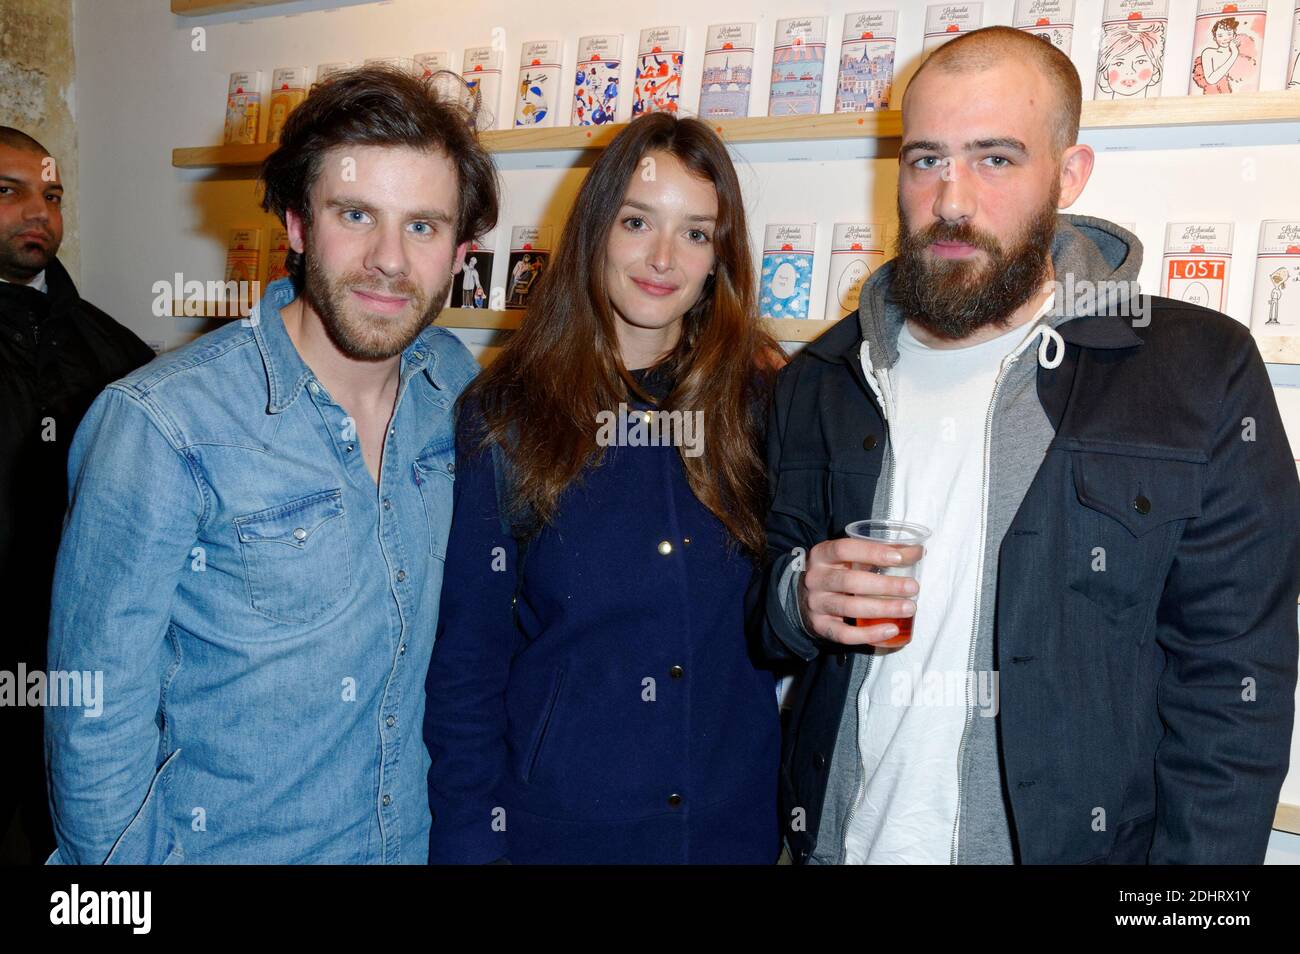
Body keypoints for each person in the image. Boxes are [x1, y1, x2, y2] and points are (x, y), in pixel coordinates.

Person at [751, 26, 1300, 865]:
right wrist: (798, 596)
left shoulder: (1197, 372)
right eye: (926, 158)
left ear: (1068, 175)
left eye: (995, 159)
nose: (951, 199)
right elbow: (770, 603)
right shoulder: (825, 375)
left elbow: (1234, 688)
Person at [44, 66, 497, 864]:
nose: (390, 260)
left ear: (461, 252)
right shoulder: (161, 424)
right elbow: (93, 727)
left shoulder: (451, 385)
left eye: (423, 226)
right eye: (355, 214)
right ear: (294, 224)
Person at [425, 112, 785, 864]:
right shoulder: (507, 415)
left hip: (730, 831)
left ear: (720, 255)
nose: (662, 258)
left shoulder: (764, 404)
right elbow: (467, 672)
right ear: (595, 230)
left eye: (695, 232)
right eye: (636, 221)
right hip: (562, 835)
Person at [0, 127, 154, 865]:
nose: (38, 213)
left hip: (82, 674)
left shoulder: (115, 351)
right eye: (9, 191)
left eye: (52, 195)